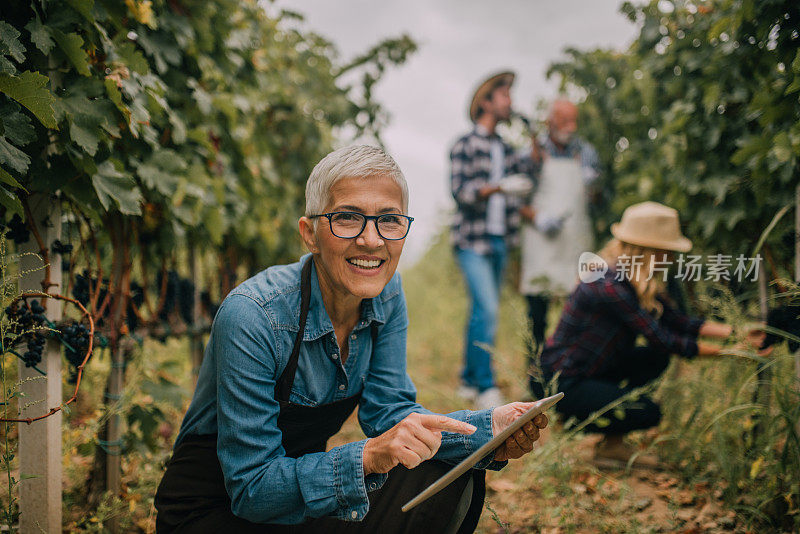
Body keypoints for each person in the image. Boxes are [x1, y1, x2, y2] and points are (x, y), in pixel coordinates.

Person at [155, 145, 549, 532]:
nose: (372, 240)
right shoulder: (254, 315)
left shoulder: (387, 294)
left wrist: (489, 430)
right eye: (347, 218)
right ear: (309, 234)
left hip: (295, 504)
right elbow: (252, 490)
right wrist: (368, 457)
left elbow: (389, 411)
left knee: (439, 467)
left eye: (389, 220)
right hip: (216, 510)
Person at [530, 201, 768, 464]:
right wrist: (732, 352)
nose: (671, 259)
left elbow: (678, 320)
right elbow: (662, 338)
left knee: (653, 358)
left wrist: (739, 332)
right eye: (667, 252)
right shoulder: (608, 284)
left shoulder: (629, 279)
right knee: (647, 411)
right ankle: (575, 416)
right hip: (559, 381)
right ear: (648, 251)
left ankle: (609, 442)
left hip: (590, 369)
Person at [450, 71, 536, 410]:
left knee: (480, 311)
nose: (510, 101)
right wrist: (498, 188)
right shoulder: (465, 145)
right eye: (504, 95)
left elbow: (531, 170)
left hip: (500, 240)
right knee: (487, 308)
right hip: (472, 241)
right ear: (486, 102)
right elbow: (461, 193)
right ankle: (487, 386)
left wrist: (533, 136)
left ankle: (468, 379)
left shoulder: (507, 148)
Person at [519, 98, 601, 359]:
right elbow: (517, 202)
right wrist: (539, 217)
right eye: (565, 121)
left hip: (575, 244)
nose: (571, 126)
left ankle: (569, 368)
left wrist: (595, 188)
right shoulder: (532, 154)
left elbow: (598, 199)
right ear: (550, 121)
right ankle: (536, 375)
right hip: (542, 243)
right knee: (537, 316)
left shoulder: (587, 153)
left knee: (579, 312)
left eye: (574, 120)